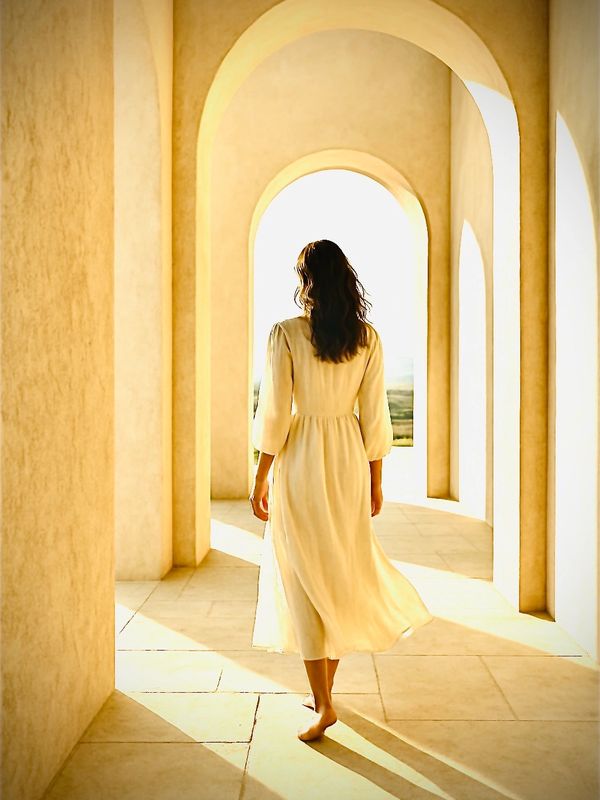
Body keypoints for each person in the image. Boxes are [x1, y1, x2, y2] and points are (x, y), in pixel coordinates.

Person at [248, 239, 434, 742]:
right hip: (348, 458)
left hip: (303, 457)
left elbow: (276, 413)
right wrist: (375, 482)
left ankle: (325, 704)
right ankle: (322, 692)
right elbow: (376, 418)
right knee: (336, 567)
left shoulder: (285, 334)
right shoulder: (366, 338)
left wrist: (261, 475)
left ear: (306, 280)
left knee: (302, 572)